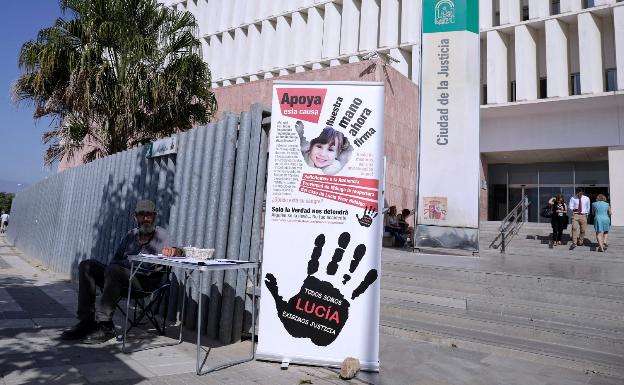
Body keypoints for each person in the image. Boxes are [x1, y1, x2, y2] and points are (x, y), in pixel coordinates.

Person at [60, 199, 183, 343]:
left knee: (115, 270)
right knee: (87, 266)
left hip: (144, 283)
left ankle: (105, 326)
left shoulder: (161, 234)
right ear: (135, 217)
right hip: (120, 278)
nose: (145, 219)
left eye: (149, 215)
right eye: (141, 215)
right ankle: (86, 322)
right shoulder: (130, 235)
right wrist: (116, 269)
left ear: (154, 217)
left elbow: (180, 251)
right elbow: (115, 260)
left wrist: (174, 251)